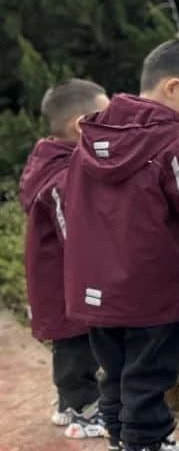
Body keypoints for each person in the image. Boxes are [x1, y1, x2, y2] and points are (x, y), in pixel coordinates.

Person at [63, 39, 179, 451]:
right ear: (173, 87)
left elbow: (73, 211)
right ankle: (146, 443)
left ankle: (122, 439)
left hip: (95, 291)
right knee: (148, 375)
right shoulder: (175, 145)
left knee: (116, 371)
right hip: (150, 292)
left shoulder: (88, 140)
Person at [19, 79, 110, 439]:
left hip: (60, 279)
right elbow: (74, 230)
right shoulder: (63, 174)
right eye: (106, 117)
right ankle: (82, 411)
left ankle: (69, 404)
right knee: (78, 346)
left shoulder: (54, 160)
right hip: (68, 281)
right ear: (82, 124)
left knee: (74, 345)